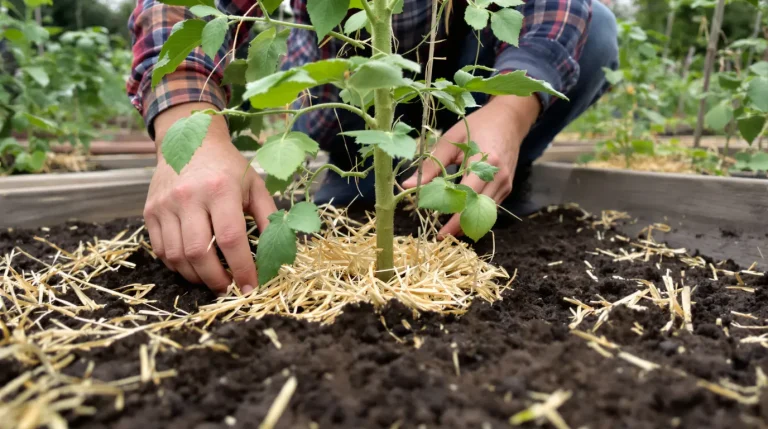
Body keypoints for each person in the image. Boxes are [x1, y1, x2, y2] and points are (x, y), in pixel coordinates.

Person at [127, 0, 618, 294]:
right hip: (346, 95)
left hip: (469, 76)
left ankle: (491, 168)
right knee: (353, 180)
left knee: (595, 28)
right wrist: (188, 130)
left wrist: (509, 112)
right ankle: (362, 173)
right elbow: (177, 7)